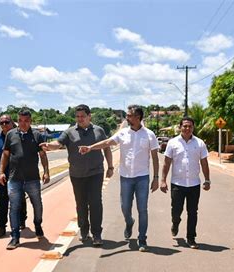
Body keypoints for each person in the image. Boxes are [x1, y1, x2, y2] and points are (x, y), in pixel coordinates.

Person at [79, 105, 159, 252]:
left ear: (138, 117)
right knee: (125, 207)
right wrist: (90, 147)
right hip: (126, 177)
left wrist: (156, 178)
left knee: (143, 209)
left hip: (142, 177)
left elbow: (155, 157)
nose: (127, 118)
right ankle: (129, 222)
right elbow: (107, 142)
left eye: (129, 115)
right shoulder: (123, 133)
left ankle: (142, 239)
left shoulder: (149, 135)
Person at [41, 104, 114, 246]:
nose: (80, 119)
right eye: (77, 116)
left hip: (95, 173)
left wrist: (110, 166)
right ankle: (84, 230)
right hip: (77, 174)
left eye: (82, 116)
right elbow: (59, 143)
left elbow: (107, 149)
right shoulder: (69, 132)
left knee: (95, 203)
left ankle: (97, 233)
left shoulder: (99, 131)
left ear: (89, 116)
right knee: (81, 204)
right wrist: (50, 146)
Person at [0, 109, 50, 250]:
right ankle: (15, 237)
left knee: (37, 205)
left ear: (31, 121)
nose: (23, 123)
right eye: (20, 120)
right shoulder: (10, 135)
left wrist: (46, 172)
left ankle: (38, 224)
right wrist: (1, 172)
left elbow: (43, 155)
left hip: (32, 179)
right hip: (14, 179)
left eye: (26, 121)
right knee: (14, 207)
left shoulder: (37, 135)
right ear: (17, 120)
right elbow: (5, 155)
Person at [160, 117, 211, 249]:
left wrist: (207, 180)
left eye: (190, 126)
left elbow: (204, 163)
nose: (187, 128)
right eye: (185, 126)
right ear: (180, 127)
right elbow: (166, 163)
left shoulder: (199, 143)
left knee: (193, 212)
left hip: (194, 184)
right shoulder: (173, 143)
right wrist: (163, 180)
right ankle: (175, 222)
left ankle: (191, 238)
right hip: (177, 183)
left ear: (193, 128)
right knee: (176, 211)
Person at [0, 114, 27, 237]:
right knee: (2, 201)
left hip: (18, 175)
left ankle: (21, 219)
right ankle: (1, 226)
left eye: (7, 122)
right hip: (2, 175)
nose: (4, 125)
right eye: (1, 123)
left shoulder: (20, 135)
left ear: (12, 123)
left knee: (19, 200)